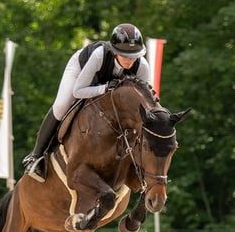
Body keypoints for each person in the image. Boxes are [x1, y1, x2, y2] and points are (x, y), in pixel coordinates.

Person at [22, 23, 152, 182]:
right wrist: (104, 88)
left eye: (134, 55)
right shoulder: (99, 56)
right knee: (62, 105)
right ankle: (36, 156)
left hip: (107, 86)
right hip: (81, 73)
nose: (130, 60)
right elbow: (79, 91)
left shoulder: (142, 67)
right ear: (114, 51)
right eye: (125, 55)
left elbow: (146, 104)